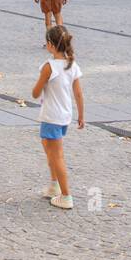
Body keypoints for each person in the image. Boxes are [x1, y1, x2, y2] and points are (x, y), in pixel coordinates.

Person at [32, 26, 84, 210]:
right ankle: (54, 185)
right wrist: (81, 115)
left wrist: (41, 85)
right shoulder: (72, 65)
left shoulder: (49, 67)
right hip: (64, 116)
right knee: (48, 147)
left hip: (51, 116)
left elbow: (35, 92)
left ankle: (66, 195)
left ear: (51, 45)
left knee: (57, 155)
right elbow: (78, 93)